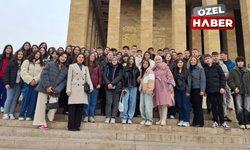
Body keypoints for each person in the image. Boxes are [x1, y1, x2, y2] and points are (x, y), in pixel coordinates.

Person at [33, 53, 68, 130]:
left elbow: (64, 81)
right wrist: (47, 86)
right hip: (44, 87)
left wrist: (57, 89)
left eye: (65, 57)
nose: (63, 58)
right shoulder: (50, 64)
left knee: (54, 105)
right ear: (59, 57)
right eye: (62, 56)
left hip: (55, 90)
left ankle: (50, 117)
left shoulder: (65, 69)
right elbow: (44, 75)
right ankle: (41, 123)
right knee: (41, 106)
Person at [66, 53, 93, 131]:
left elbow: (88, 78)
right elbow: (69, 79)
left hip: (82, 90)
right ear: (76, 58)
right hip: (74, 88)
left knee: (79, 109)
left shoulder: (85, 68)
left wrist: (91, 87)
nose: (81, 58)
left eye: (82, 57)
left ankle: (77, 125)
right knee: (72, 109)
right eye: (79, 57)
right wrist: (68, 90)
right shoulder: (72, 66)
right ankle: (71, 126)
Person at [203, 54, 230, 129]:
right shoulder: (204, 69)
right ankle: (215, 121)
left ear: (211, 59)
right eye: (206, 59)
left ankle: (222, 122)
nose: (207, 60)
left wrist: (222, 87)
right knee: (213, 106)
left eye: (209, 58)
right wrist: (205, 90)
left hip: (218, 90)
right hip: (210, 90)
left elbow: (222, 78)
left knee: (220, 105)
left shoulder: (218, 67)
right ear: (204, 61)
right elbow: (204, 80)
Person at [19, 51, 45, 120]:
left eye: (39, 55)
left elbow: (41, 73)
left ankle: (29, 115)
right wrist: (30, 80)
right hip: (27, 83)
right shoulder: (27, 62)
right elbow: (23, 72)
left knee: (33, 100)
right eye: (36, 54)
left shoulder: (42, 64)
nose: (37, 55)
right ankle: (21, 114)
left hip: (36, 84)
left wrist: (35, 80)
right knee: (25, 99)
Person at [228, 56, 250, 129]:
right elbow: (230, 81)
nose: (240, 63)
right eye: (239, 61)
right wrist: (234, 88)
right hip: (238, 92)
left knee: (247, 107)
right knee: (239, 107)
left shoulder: (247, 71)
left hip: (247, 91)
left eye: (242, 61)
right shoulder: (233, 71)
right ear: (236, 63)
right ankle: (241, 122)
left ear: (243, 62)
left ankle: (247, 122)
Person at [152, 56, 175, 126]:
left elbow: (170, 76)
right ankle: (161, 118)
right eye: (156, 60)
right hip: (156, 87)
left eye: (159, 59)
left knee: (164, 103)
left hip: (164, 86)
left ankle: (164, 119)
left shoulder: (165, 67)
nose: (157, 61)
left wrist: (170, 86)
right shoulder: (153, 69)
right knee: (159, 103)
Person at [2, 50, 24, 119]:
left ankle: (11, 113)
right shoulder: (11, 62)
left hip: (18, 84)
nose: (20, 55)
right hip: (11, 83)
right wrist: (6, 83)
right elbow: (6, 73)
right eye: (19, 54)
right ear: (16, 55)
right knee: (9, 98)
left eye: (21, 54)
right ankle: (5, 113)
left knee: (15, 99)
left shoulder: (23, 64)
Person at [212, 52, 232, 122]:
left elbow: (227, 74)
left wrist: (221, 76)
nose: (215, 57)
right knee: (213, 102)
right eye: (214, 56)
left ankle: (224, 115)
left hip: (222, 85)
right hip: (213, 86)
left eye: (216, 56)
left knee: (223, 101)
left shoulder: (222, 65)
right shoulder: (209, 65)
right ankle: (214, 116)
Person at [120, 55, 140, 124]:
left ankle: (130, 117)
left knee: (132, 103)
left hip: (134, 87)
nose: (131, 60)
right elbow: (122, 79)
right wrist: (122, 88)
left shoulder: (136, 69)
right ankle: (123, 117)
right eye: (130, 59)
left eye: (132, 59)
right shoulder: (124, 68)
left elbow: (138, 79)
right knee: (125, 103)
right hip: (126, 87)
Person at [187, 56, 205, 127]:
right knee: (194, 106)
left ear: (197, 61)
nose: (193, 61)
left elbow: (203, 80)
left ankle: (200, 122)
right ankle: (195, 122)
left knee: (198, 106)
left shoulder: (200, 69)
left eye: (194, 60)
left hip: (197, 89)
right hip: (191, 89)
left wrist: (202, 90)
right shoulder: (188, 69)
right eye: (192, 60)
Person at [103, 56, 123, 123]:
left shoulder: (120, 68)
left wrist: (112, 83)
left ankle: (113, 117)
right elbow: (104, 76)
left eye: (115, 60)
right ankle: (108, 116)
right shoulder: (108, 67)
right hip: (108, 87)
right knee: (108, 102)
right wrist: (108, 83)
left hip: (116, 87)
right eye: (113, 60)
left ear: (117, 61)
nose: (114, 61)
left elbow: (119, 77)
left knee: (115, 102)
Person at [83, 53, 102, 123]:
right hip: (87, 86)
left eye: (93, 56)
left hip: (95, 85)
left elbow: (100, 76)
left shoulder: (97, 66)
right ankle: (86, 115)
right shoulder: (85, 65)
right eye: (91, 56)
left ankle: (91, 115)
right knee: (87, 101)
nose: (92, 57)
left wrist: (99, 84)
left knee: (93, 101)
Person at [173, 59, 191, 127]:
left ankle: (186, 120)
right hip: (178, 90)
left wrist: (188, 91)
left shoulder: (186, 71)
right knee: (180, 106)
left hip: (185, 90)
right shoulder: (175, 71)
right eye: (178, 62)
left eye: (181, 62)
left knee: (185, 106)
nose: (179, 64)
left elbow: (188, 82)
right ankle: (181, 119)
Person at [139, 60, 155, 126]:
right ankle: (144, 118)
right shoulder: (142, 72)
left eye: (146, 63)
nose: (145, 64)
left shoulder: (150, 72)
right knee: (142, 105)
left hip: (148, 91)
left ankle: (149, 120)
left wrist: (149, 90)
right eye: (143, 63)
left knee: (148, 106)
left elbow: (151, 82)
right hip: (142, 90)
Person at [0, 45, 14, 112]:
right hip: (0, 77)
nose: (8, 49)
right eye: (7, 48)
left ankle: (2, 106)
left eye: (10, 48)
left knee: (5, 93)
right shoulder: (1, 57)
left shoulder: (12, 59)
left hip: (7, 79)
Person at [100, 51, 113, 115]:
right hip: (104, 82)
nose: (110, 56)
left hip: (112, 82)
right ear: (107, 56)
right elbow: (101, 71)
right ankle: (103, 111)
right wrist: (106, 78)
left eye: (111, 55)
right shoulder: (103, 62)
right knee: (104, 97)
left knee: (110, 98)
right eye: (109, 55)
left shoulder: (114, 62)